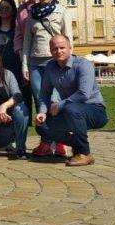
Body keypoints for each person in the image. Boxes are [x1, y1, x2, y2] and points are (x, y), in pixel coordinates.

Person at [34, 35, 107, 166]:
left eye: (62, 47)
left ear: (70, 48)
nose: (59, 51)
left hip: (95, 110)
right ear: (50, 51)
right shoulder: (50, 67)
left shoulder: (83, 65)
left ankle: (84, 153)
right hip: (70, 111)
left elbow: (84, 94)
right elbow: (45, 93)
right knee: (42, 126)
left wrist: (60, 105)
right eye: (55, 49)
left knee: (70, 108)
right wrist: (42, 112)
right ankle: (78, 146)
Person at [22, 0, 72, 157]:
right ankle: (45, 141)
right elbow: (27, 41)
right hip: (35, 63)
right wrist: (24, 65)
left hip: (55, 63)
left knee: (56, 102)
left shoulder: (62, 11)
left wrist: (67, 63)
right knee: (40, 102)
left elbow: (68, 39)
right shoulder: (32, 13)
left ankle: (60, 141)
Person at [0, 0, 30, 119]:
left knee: (19, 97)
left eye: (7, 8)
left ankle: (22, 124)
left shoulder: (18, 28)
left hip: (16, 68)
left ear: (13, 10)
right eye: (1, 8)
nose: (4, 10)